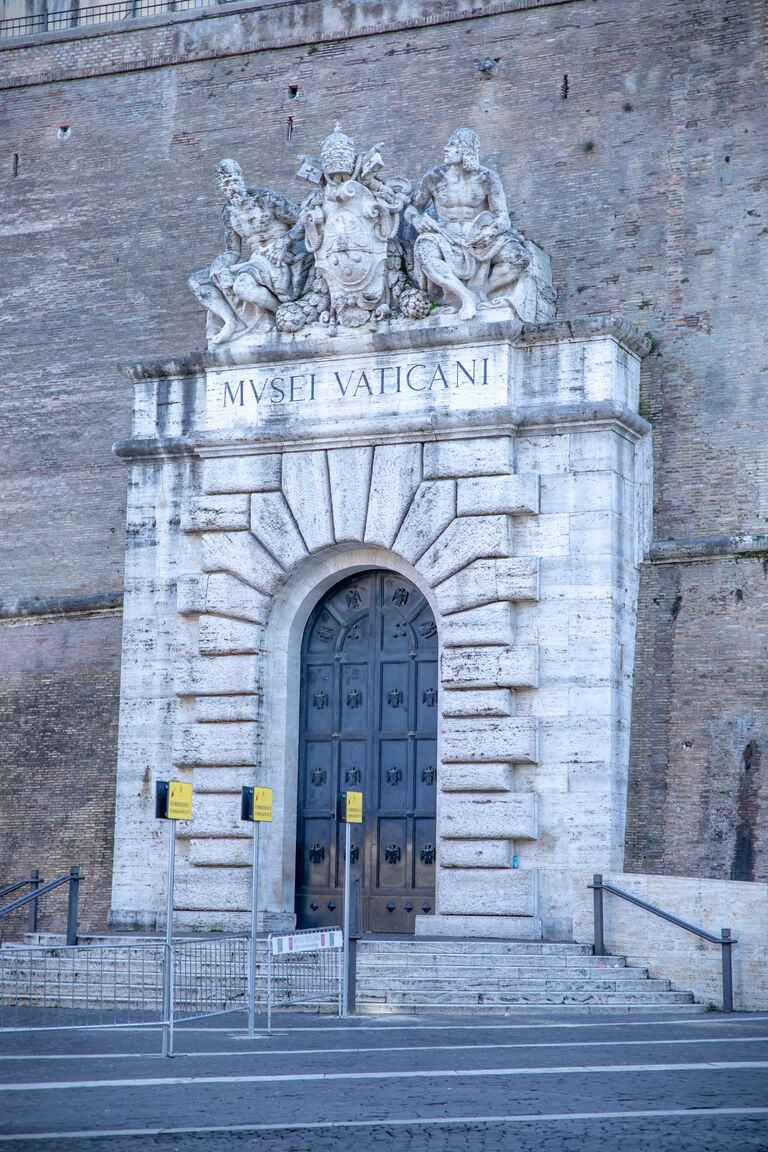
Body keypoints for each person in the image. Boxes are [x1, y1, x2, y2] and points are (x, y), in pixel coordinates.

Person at [405, 128, 530, 321]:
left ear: (465, 150)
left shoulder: (487, 178)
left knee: (518, 258)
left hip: (480, 237)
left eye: (452, 145)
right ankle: (465, 296)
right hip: (443, 235)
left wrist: (490, 232)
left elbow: (503, 218)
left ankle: (482, 295)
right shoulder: (434, 177)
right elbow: (412, 208)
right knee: (424, 253)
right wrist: (416, 219)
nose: (446, 149)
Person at [189, 159, 308, 345]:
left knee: (241, 287)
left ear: (242, 180)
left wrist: (284, 242)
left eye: (235, 181)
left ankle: (284, 312)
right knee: (198, 281)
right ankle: (231, 322)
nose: (232, 188)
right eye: (227, 184)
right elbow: (232, 252)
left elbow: (305, 220)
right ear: (221, 188)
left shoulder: (267, 199)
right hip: (255, 262)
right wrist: (217, 268)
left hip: (281, 258)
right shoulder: (229, 212)